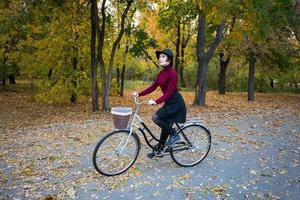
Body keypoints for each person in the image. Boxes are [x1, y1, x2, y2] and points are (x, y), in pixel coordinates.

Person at [133, 49, 187, 158]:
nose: (159, 58)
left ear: (169, 59)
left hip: (176, 103)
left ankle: (174, 135)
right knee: (164, 124)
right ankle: (160, 149)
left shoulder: (173, 74)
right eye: (159, 56)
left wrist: (156, 101)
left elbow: (169, 92)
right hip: (169, 102)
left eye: (162, 56)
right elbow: (153, 87)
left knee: (156, 118)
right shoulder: (162, 73)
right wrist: (139, 94)